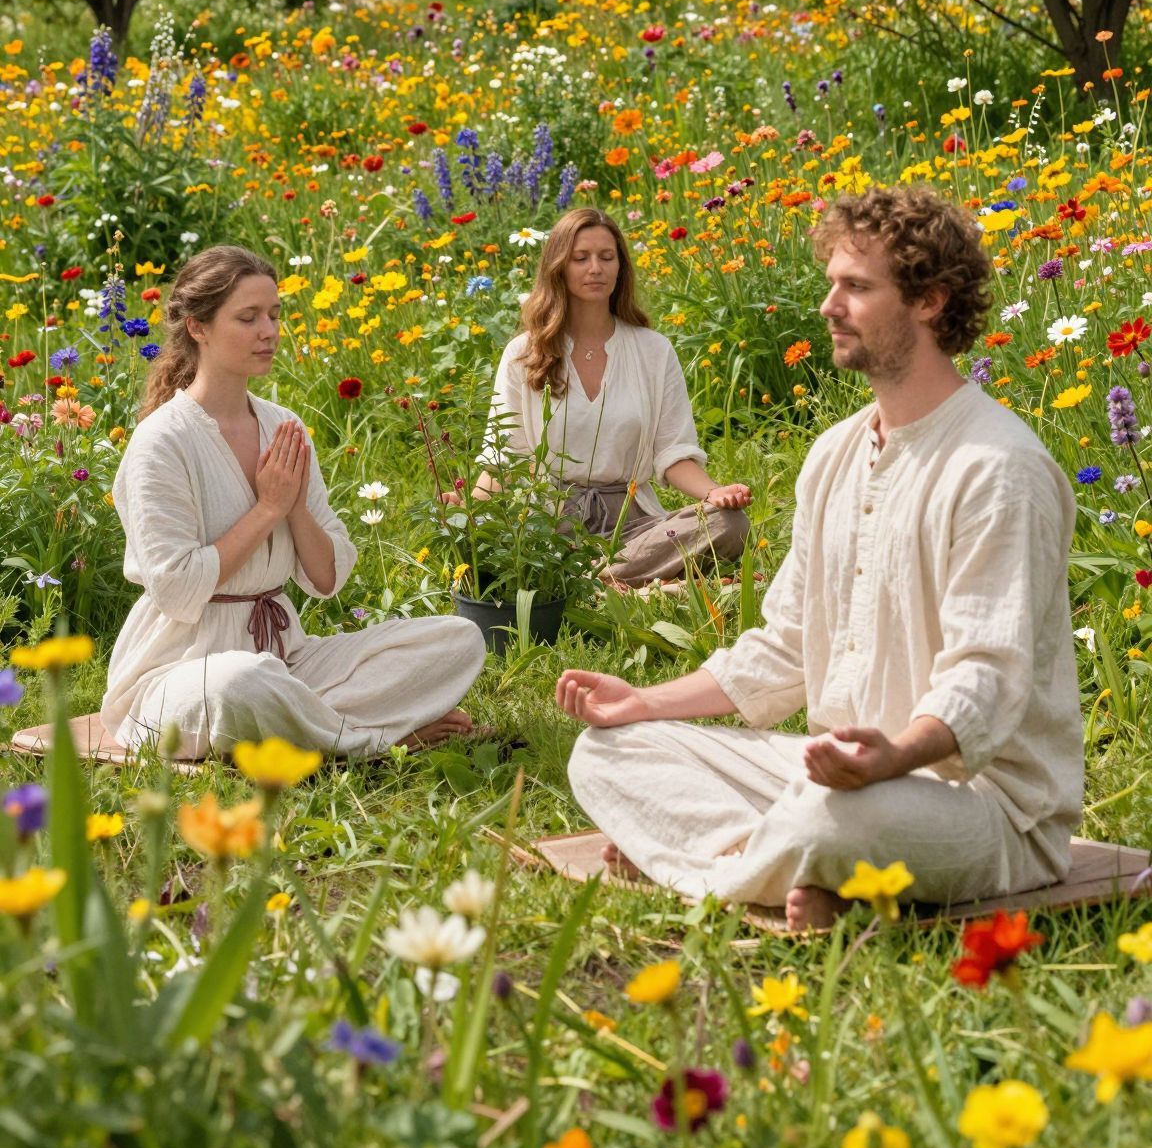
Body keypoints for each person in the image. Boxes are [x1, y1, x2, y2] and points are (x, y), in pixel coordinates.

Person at [558, 187, 1084, 929]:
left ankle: (719, 860)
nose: (830, 305)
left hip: (979, 807)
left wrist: (892, 760)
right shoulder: (834, 454)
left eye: (857, 288)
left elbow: (988, 681)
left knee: (835, 823)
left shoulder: (998, 467)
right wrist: (643, 704)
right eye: (832, 283)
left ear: (930, 302)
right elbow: (785, 645)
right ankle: (778, 870)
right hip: (831, 771)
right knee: (605, 752)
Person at [101, 245, 486, 760]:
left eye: (275, 315)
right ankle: (376, 740)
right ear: (198, 327)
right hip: (180, 673)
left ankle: (306, 720)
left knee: (459, 638)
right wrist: (266, 510)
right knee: (241, 683)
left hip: (287, 658)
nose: (269, 331)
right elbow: (176, 589)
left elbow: (326, 579)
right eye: (249, 317)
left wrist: (293, 506)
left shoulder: (284, 427)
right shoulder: (160, 442)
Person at [479, 207, 751, 588]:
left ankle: (588, 583)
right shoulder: (524, 353)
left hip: (636, 524)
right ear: (558, 267)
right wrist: (468, 512)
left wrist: (716, 493)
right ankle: (637, 583)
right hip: (551, 525)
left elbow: (674, 454)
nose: (596, 268)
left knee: (730, 523)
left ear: (621, 267)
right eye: (581, 258)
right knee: (486, 542)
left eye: (607, 258)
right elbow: (506, 457)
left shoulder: (652, 350)